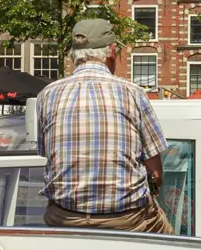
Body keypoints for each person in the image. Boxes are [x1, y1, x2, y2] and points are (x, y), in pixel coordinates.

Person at [36, 17, 171, 233]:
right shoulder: (133, 93)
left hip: (65, 217)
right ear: (111, 52)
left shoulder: (47, 95)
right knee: (173, 244)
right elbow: (155, 173)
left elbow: (48, 155)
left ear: (73, 54)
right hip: (128, 220)